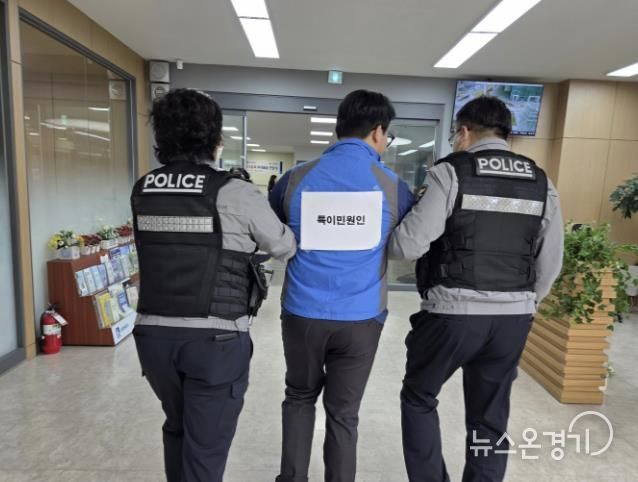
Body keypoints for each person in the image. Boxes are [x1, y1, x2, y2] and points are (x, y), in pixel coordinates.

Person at [388, 96, 564, 482]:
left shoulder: (451, 172)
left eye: (455, 134)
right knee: (490, 417)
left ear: (465, 132)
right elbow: (551, 260)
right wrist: (526, 302)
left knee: (419, 398)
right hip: (513, 319)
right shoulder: (541, 182)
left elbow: (409, 246)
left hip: (452, 314)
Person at [130, 89, 296, 482]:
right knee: (204, 450)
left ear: (161, 137)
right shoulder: (234, 190)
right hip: (215, 340)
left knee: (177, 427)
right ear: (215, 139)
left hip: (153, 338)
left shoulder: (144, 188)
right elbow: (283, 246)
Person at [269, 89, 414, 482]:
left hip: (302, 313)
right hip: (361, 318)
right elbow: (407, 241)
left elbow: (272, 233)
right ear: (378, 132)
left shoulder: (294, 179)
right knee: (344, 413)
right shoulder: (393, 186)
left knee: (299, 397)